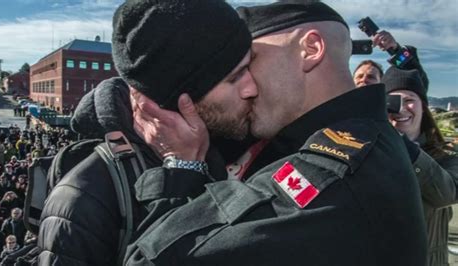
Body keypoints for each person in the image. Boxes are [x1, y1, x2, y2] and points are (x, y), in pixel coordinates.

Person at [124, 1, 427, 265]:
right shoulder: (360, 137)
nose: (247, 86)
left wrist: (182, 166)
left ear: (311, 49)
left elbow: (151, 259)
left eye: (250, 62)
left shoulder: (333, 177)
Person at [36, 0, 257, 265]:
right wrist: (183, 172)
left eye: (250, 66)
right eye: (235, 77)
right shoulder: (83, 199)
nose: (252, 87)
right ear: (177, 98)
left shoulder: (237, 143)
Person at [383, 67, 458, 266]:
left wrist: (401, 142)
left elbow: (446, 193)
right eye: (393, 101)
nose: (401, 108)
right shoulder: (373, 151)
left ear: (423, 106)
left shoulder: (446, 154)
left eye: (409, 100)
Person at [353, 30, 428, 88]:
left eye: (371, 77)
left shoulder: (388, 106)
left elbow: (418, 82)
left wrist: (397, 51)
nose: (364, 80)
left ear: (381, 83)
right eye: (359, 76)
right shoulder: (343, 102)